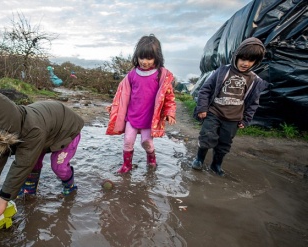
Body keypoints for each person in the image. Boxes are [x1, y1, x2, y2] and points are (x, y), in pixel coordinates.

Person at [0, 89, 84, 221]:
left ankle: (69, 185)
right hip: (46, 128)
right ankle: (29, 191)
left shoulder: (32, 129)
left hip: (67, 130)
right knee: (33, 162)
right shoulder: (9, 125)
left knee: (58, 167)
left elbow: (22, 164)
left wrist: (4, 199)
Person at [190, 37, 268, 176]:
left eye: (250, 60)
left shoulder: (255, 80)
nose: (245, 63)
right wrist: (202, 108)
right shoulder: (223, 71)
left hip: (233, 118)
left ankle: (216, 165)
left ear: (256, 62)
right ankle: (199, 159)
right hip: (214, 112)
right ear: (236, 57)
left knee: (224, 144)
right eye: (243, 59)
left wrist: (246, 119)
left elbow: (253, 102)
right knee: (206, 136)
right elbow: (205, 90)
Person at [106, 34, 176, 173]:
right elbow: (122, 94)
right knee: (127, 141)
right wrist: (115, 107)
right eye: (141, 57)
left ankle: (151, 158)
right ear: (136, 57)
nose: (145, 61)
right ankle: (127, 165)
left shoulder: (160, 75)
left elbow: (169, 97)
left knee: (147, 143)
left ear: (157, 57)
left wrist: (170, 112)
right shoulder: (132, 74)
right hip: (132, 116)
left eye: (149, 58)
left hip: (150, 119)